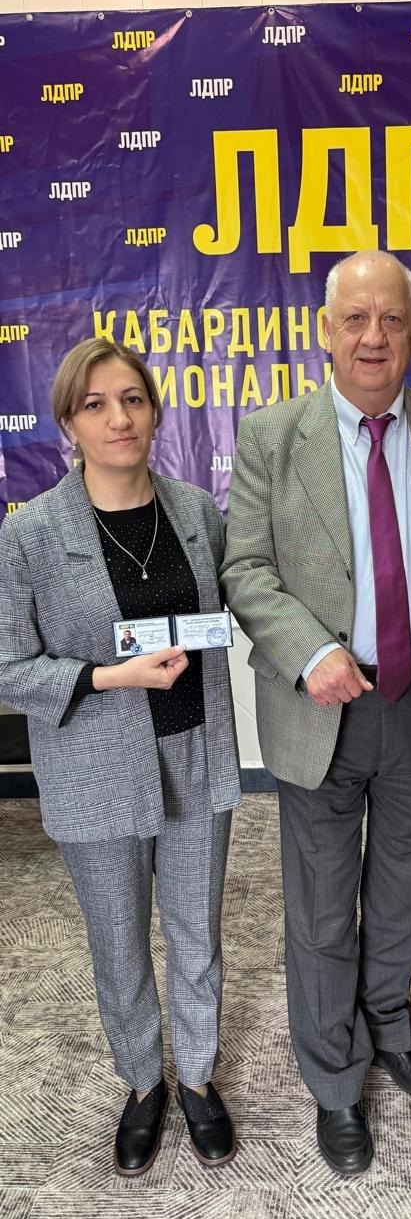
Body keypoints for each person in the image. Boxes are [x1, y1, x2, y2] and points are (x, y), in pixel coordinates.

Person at [222, 250, 411, 1174]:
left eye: (392, 320)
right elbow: (245, 569)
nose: (374, 337)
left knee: (408, 890)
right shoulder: (270, 436)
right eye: (356, 319)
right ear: (325, 331)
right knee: (322, 905)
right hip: (319, 708)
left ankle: (389, 1026)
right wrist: (310, 651)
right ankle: (335, 1080)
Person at [0, 339, 241, 1176]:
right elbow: (7, 666)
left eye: (133, 399)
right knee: (119, 941)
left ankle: (198, 1078)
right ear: (69, 422)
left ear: (155, 412)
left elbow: (243, 602)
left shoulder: (197, 511)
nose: (119, 418)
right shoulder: (30, 533)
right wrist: (109, 675)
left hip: (196, 750)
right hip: (95, 767)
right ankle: (143, 1084)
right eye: (96, 404)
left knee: (196, 933)